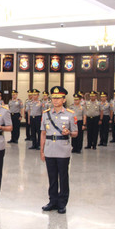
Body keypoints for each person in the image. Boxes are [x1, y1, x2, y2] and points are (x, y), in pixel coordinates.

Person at [40, 86, 77, 214]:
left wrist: (69, 132)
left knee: (63, 177)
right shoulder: (46, 114)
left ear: (64, 99)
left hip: (63, 149)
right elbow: (43, 133)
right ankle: (52, 201)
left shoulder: (70, 114)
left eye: (58, 98)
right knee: (52, 177)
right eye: (53, 98)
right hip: (50, 149)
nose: (55, 101)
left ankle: (62, 203)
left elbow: (76, 133)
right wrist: (42, 150)